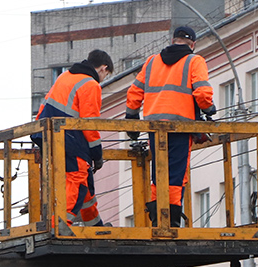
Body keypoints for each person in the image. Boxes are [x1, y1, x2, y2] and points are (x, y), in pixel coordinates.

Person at [125, 25, 217, 227]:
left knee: (159, 172)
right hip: (180, 127)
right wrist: (209, 109)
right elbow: (202, 93)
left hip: (154, 127)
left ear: (173, 40)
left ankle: (158, 217)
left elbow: (134, 92)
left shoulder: (152, 62)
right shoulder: (194, 60)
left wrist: (131, 118)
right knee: (176, 174)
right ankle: (171, 219)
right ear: (193, 44)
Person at [34, 49, 114, 227]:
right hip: (71, 139)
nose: (104, 79)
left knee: (83, 185)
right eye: (106, 75)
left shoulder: (65, 76)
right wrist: (97, 154)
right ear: (103, 68)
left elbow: (45, 105)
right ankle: (60, 225)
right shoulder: (91, 85)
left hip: (48, 135)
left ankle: (95, 226)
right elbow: (90, 124)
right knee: (77, 182)